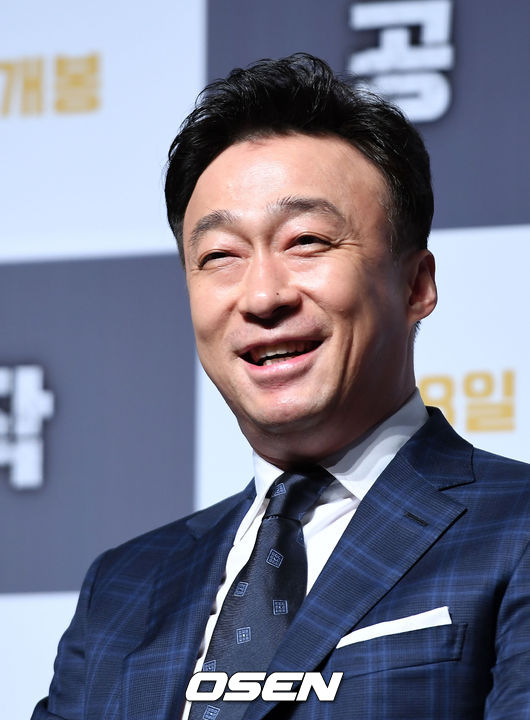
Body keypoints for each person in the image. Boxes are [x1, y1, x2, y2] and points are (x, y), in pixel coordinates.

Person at [32, 53, 530, 720]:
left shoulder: (516, 528)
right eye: (220, 255)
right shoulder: (123, 585)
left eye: (307, 241)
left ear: (416, 285)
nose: (262, 296)